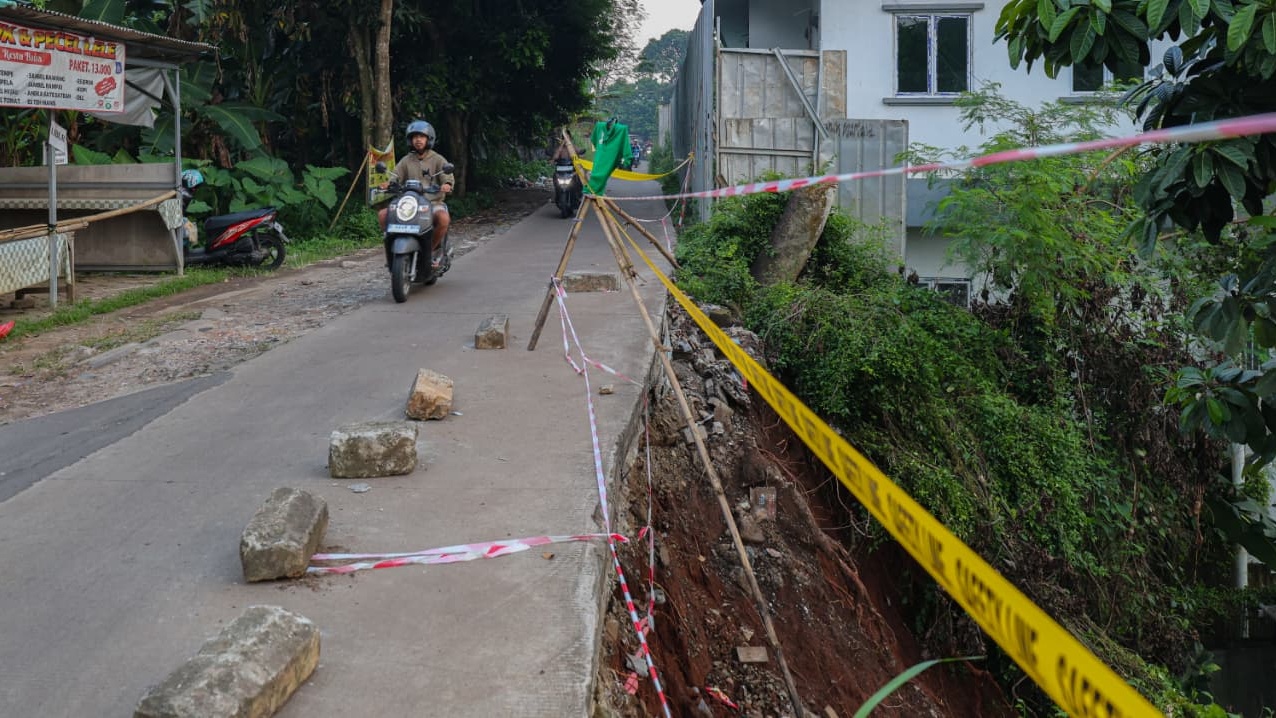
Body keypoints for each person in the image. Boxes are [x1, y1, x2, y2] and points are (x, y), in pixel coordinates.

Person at [379, 120, 454, 266]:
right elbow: (395, 176)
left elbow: (447, 176)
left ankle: (431, 251)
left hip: (432, 203)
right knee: (383, 215)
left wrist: (447, 184)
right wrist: (388, 183)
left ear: (429, 139)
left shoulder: (437, 159)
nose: (418, 140)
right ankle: (392, 251)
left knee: (443, 218)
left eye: (421, 136)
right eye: (415, 137)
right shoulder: (406, 160)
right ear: (410, 140)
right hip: (410, 203)